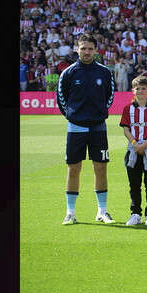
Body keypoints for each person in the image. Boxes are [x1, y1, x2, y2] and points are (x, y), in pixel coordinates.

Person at [57, 33, 115, 225]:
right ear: (77, 49)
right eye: (83, 48)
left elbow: (110, 96)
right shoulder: (69, 72)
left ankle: (102, 211)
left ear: (96, 50)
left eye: (90, 48)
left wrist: (98, 114)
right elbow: (61, 99)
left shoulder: (105, 72)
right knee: (73, 169)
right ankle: (71, 213)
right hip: (76, 128)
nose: (87, 52)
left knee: (101, 168)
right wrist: (73, 117)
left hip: (98, 127)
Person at [120, 76, 147, 226]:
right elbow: (126, 129)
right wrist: (135, 144)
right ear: (133, 91)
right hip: (133, 150)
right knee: (134, 184)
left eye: (144, 88)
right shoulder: (127, 108)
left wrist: (145, 145)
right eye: (138, 88)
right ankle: (135, 213)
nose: (141, 91)